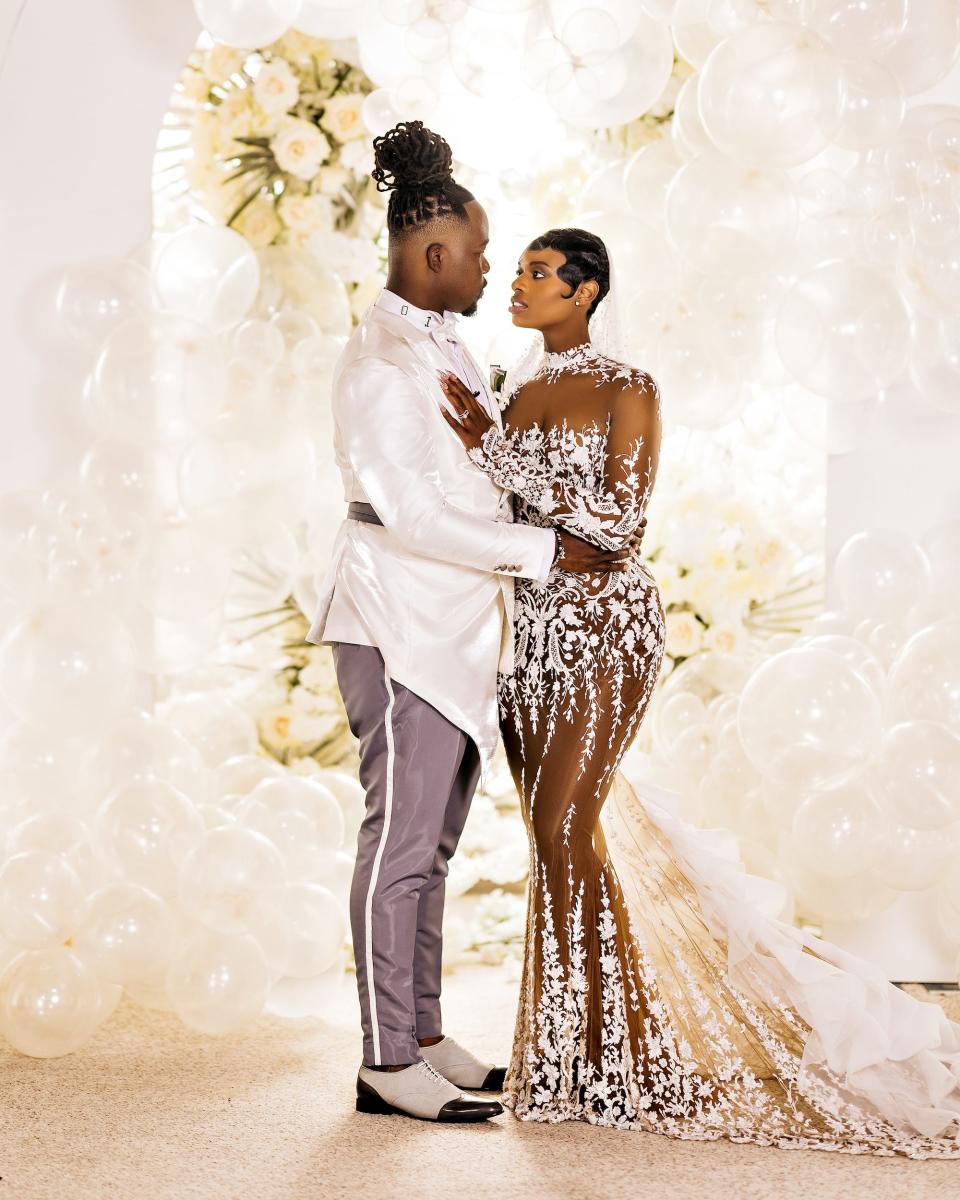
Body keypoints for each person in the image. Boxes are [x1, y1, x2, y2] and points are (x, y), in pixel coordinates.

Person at [440, 226, 960, 1158]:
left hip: (610, 630)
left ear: (587, 291)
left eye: (539, 272)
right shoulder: (513, 389)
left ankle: (608, 1060)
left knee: (564, 828)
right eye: (516, 270)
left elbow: (619, 525)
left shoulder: (625, 389)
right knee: (560, 841)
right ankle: (595, 1056)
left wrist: (498, 453)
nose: (517, 283)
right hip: (531, 635)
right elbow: (524, 524)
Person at [304, 125, 633, 1124]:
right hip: (397, 626)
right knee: (397, 846)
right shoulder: (380, 365)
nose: (492, 267)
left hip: (450, 630)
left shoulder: (440, 351)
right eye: (484, 252)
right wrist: (546, 554)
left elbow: (473, 481)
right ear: (434, 253)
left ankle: (425, 1032)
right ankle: (381, 1062)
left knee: (435, 846)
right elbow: (410, 513)